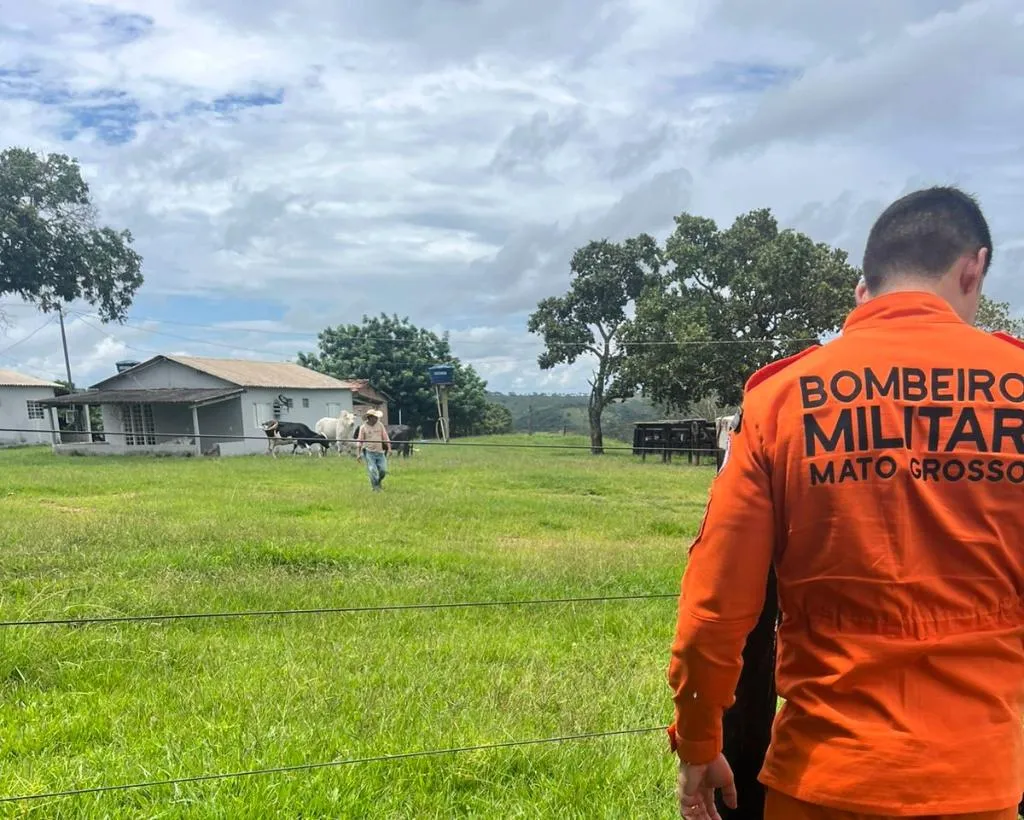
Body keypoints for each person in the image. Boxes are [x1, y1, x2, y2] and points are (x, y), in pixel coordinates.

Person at [668, 186, 1024, 820]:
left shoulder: (781, 400)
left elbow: (717, 607)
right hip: (983, 778)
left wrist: (698, 739)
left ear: (866, 288)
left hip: (823, 776)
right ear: (974, 266)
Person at [356, 409, 391, 492]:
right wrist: (358, 454)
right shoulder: (363, 427)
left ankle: (378, 482)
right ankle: (375, 488)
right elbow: (359, 441)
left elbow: (385, 437)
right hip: (369, 452)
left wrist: (389, 448)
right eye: (375, 417)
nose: (377, 419)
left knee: (383, 470)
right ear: (370, 418)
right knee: (372, 470)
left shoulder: (380, 425)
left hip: (380, 452)